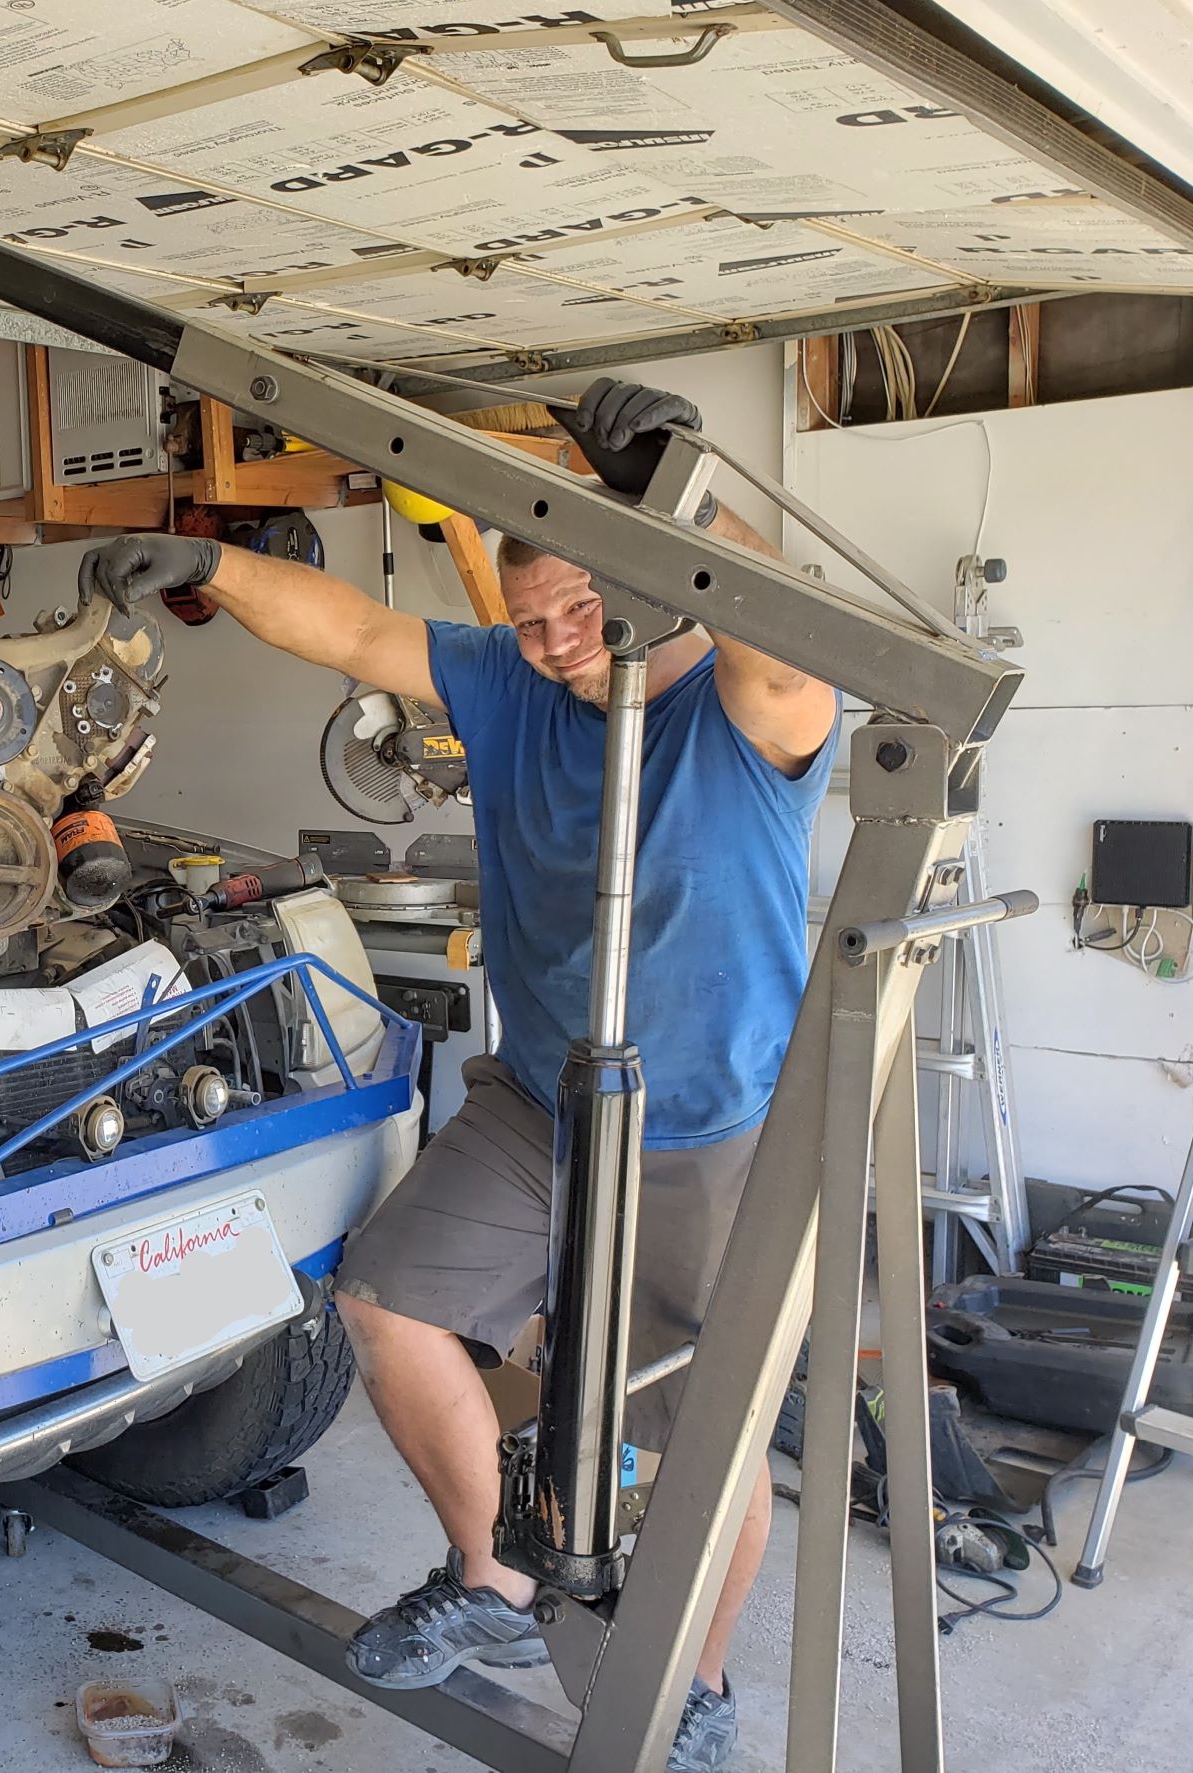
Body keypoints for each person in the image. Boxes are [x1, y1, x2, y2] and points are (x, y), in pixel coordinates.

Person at [76, 380, 838, 1773]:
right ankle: (493, 1579)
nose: (554, 645)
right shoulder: (508, 679)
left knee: (695, 1446)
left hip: (711, 1131)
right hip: (540, 1103)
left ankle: (701, 1689)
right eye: (532, 615)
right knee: (384, 1295)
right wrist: (208, 563)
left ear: (655, 583)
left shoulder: (738, 706)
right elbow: (358, 630)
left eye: (582, 615)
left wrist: (691, 490)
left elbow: (792, 651)